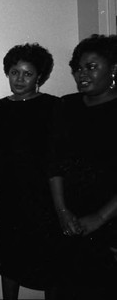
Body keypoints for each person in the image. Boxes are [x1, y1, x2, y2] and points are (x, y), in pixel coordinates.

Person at [0, 43, 60, 299]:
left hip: (43, 196)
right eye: (15, 72)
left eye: (27, 73)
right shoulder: (0, 107)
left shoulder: (53, 106)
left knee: (49, 262)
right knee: (9, 259)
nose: (19, 79)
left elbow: (56, 156)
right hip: (9, 195)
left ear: (40, 76)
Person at [49, 34, 117, 299]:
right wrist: (62, 211)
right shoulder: (66, 105)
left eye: (91, 66)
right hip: (67, 221)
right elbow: (52, 163)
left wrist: (99, 218)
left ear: (113, 69)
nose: (81, 74)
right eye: (78, 68)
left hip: (110, 224)